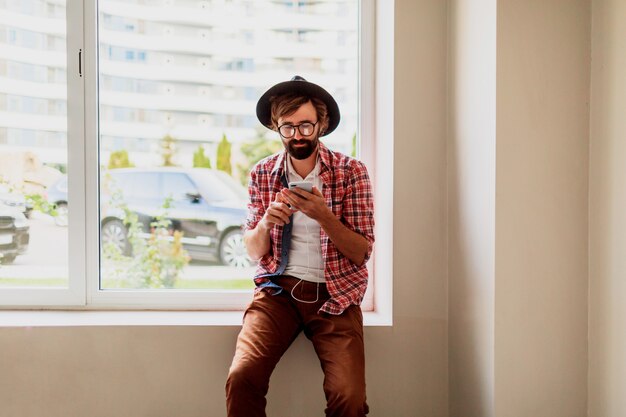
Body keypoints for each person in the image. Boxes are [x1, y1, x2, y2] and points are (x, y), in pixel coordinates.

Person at [225, 76, 375, 417]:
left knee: (348, 397)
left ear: (320, 124)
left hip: (335, 295)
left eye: (305, 125)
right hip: (277, 293)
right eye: (288, 128)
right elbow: (252, 249)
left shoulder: (351, 172)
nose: (298, 135)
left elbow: (362, 251)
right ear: (277, 129)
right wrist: (266, 222)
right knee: (242, 377)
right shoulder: (263, 173)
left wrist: (323, 215)